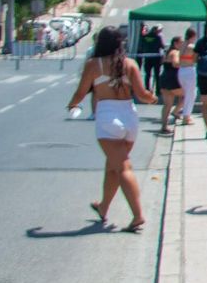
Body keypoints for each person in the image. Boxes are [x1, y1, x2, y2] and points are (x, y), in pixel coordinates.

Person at [67, 25, 157, 233]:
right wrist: (152, 99)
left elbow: (81, 92)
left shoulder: (94, 64)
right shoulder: (130, 64)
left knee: (123, 167)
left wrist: (72, 104)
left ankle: (137, 215)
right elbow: (142, 94)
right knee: (113, 165)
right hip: (130, 117)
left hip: (108, 117)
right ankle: (103, 207)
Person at [158, 35, 184, 134]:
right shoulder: (175, 52)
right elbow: (175, 63)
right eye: (181, 42)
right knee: (188, 95)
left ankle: (164, 126)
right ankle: (176, 111)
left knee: (167, 104)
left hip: (164, 78)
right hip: (173, 79)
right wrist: (185, 63)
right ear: (175, 43)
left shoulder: (167, 52)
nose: (182, 44)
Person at [177, 28, 199, 125]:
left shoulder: (182, 45)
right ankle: (186, 117)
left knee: (187, 94)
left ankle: (184, 114)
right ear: (193, 36)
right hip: (189, 70)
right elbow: (196, 58)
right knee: (191, 94)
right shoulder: (192, 46)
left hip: (181, 70)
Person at [137, 24, 162, 93]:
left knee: (147, 74)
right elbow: (161, 46)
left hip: (147, 57)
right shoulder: (158, 37)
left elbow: (141, 46)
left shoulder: (145, 37)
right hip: (156, 58)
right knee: (157, 74)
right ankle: (158, 90)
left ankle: (147, 88)